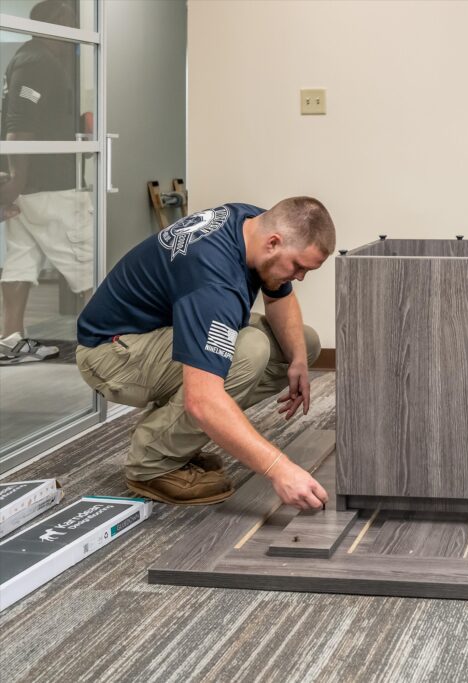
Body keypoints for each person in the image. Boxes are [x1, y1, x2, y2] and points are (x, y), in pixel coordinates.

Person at [76, 197, 335, 509]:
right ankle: (152, 461)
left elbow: (278, 297)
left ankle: (173, 434)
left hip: (159, 330)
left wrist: (298, 362)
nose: (300, 277)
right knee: (249, 351)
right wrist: (281, 470)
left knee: (302, 344)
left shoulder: (253, 223)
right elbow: (203, 399)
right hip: (110, 354)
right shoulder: (214, 281)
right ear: (273, 243)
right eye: (298, 267)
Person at [0, 0, 90, 365]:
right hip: (49, 185)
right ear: (55, 22)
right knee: (89, 262)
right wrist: (17, 180)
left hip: (33, 185)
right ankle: (106, 347)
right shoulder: (37, 61)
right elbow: (19, 123)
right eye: (70, 20)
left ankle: (10, 341)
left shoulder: (33, 58)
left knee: (21, 260)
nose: (76, 28)